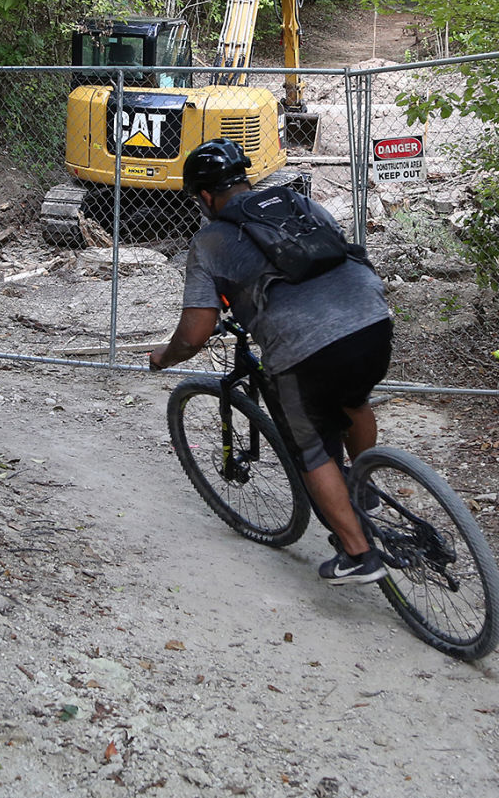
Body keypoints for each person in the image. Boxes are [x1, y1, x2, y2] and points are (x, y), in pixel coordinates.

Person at [148, 138, 394, 585]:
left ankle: (358, 555)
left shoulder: (209, 241)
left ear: (205, 196)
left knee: (311, 448)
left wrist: (166, 357)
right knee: (353, 401)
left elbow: (196, 332)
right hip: (372, 317)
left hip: (306, 344)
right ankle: (365, 486)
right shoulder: (298, 202)